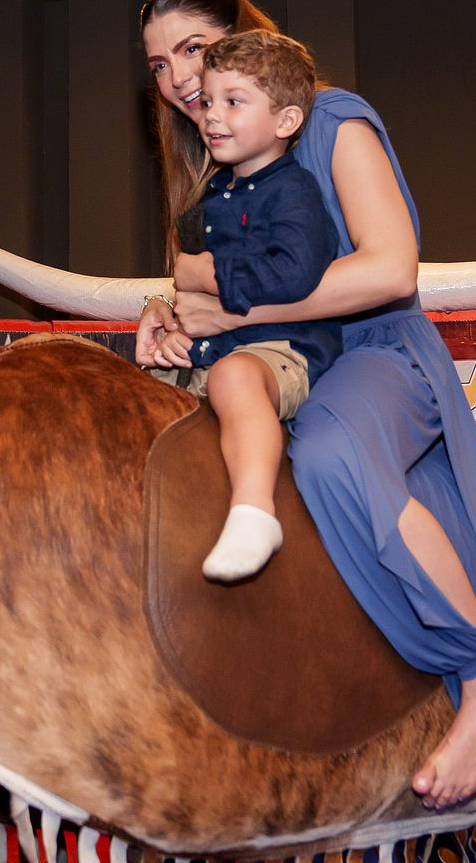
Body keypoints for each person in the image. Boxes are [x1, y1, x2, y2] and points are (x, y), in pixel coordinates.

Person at [134, 0, 476, 810]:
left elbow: (389, 269)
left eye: (194, 50)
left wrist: (232, 304)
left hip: (372, 349)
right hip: (263, 357)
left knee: (330, 455)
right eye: (160, 65)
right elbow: (202, 284)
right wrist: (165, 315)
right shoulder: (211, 168)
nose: (179, 79)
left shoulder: (333, 120)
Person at [147, 29, 342, 582]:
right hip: (221, 348)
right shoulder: (216, 195)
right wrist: (181, 328)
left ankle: (256, 512)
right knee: (144, 389)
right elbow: (199, 302)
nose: (212, 115)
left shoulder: (295, 191)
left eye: (234, 101)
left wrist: (204, 273)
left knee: (233, 379)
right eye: (209, 101)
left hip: (285, 350)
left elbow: (295, 274)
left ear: (286, 121)